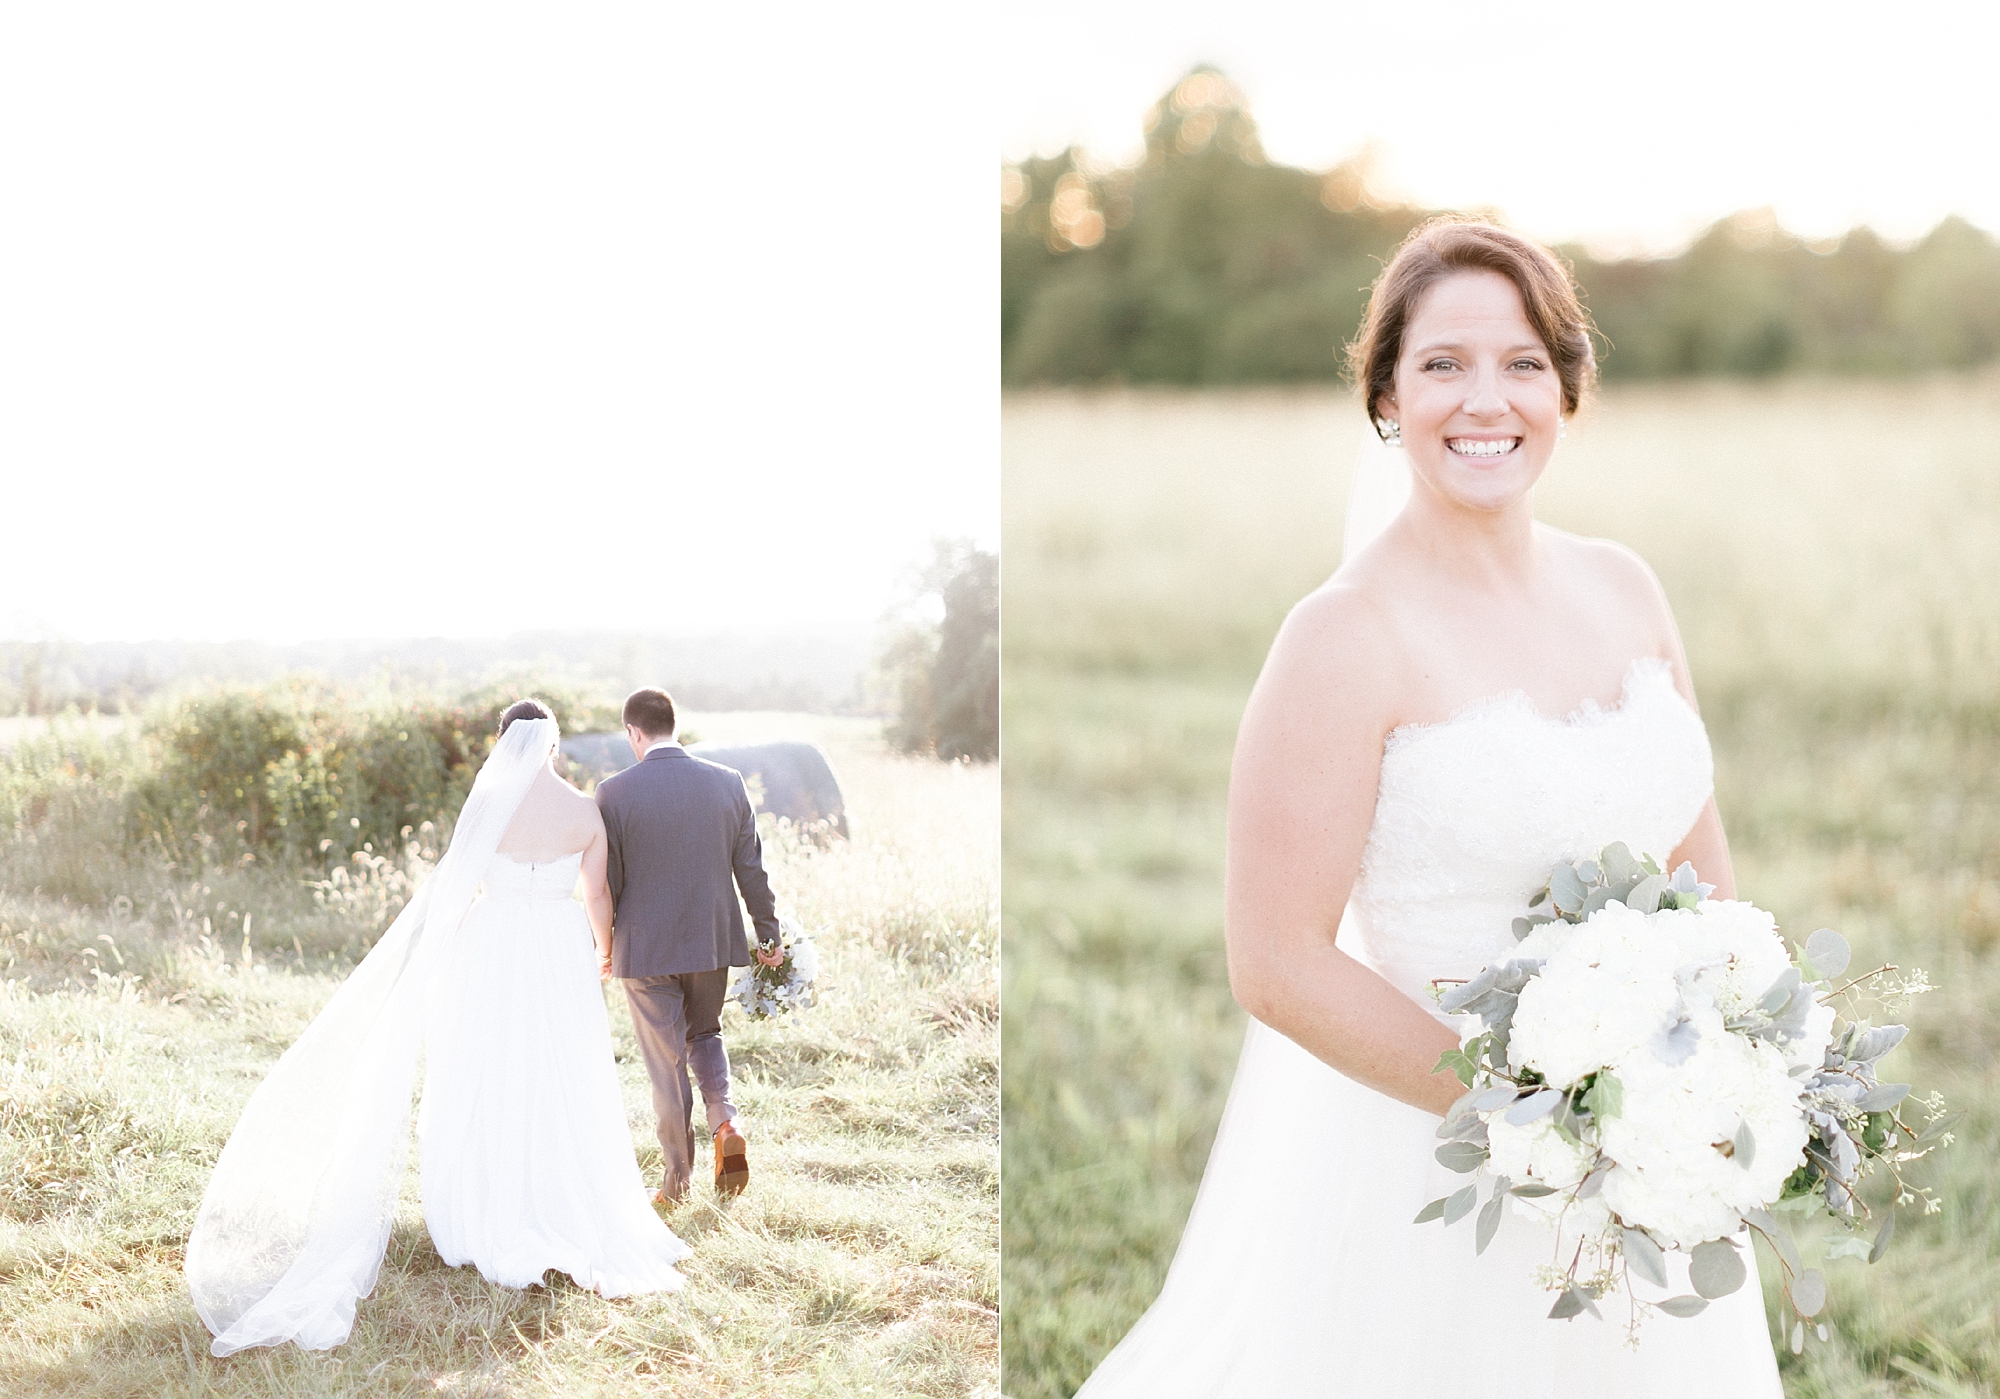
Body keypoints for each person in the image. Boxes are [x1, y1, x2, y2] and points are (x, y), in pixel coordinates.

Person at [1075, 218, 1782, 1395]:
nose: (1481, 400)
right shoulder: (1341, 638)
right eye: (1440, 364)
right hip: (1436, 1158)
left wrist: (1715, 1081)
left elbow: (1705, 884)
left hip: (1654, 1149)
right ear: (1386, 399)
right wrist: (1542, 1113)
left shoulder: (1625, 586)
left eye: (1518, 363)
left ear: (1565, 388)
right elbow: (1275, 961)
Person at [187, 702, 688, 1358]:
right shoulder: (584, 809)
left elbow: (457, 890)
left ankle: (488, 1205)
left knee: (485, 1068)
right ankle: (561, 1196)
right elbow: (596, 895)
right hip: (558, 946)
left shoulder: (486, 806)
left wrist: (440, 953)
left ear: (503, 743)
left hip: (491, 945)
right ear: (554, 743)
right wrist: (601, 946)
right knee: (560, 1071)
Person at [594, 686, 783, 1203]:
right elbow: (751, 867)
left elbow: (607, 881)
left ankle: (677, 1182)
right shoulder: (727, 783)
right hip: (711, 940)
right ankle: (725, 1122)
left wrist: (605, 945)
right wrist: (769, 932)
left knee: (666, 1062)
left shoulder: (612, 793)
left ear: (635, 732)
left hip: (644, 949)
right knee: (705, 1033)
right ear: (673, 725)